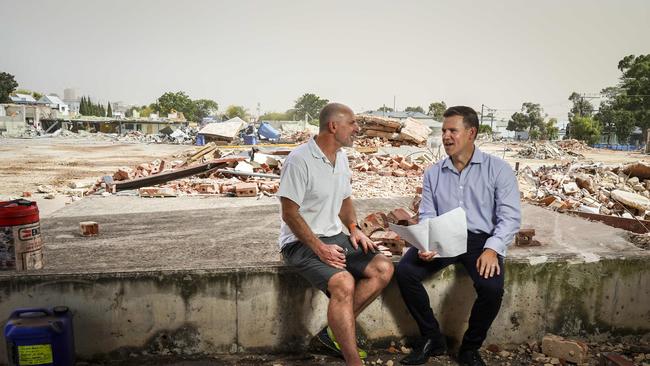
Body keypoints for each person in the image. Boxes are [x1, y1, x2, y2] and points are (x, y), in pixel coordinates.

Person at [396, 106, 521, 366]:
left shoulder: (498, 170)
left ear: (471, 133)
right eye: (443, 131)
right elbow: (428, 212)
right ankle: (432, 338)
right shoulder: (433, 172)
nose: (445, 136)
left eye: (453, 130)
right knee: (405, 271)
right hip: (444, 236)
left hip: (480, 241)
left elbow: (509, 217)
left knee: (492, 288)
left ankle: (469, 349)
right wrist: (426, 241)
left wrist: (492, 249)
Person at [278, 102, 394, 366]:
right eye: (352, 123)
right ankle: (353, 361)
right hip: (299, 242)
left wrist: (354, 229)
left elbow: (344, 200)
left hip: (333, 236)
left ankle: (333, 334)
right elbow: (290, 214)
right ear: (333, 126)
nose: (357, 128)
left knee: (383, 268)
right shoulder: (299, 160)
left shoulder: (340, 157)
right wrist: (319, 248)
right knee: (344, 283)